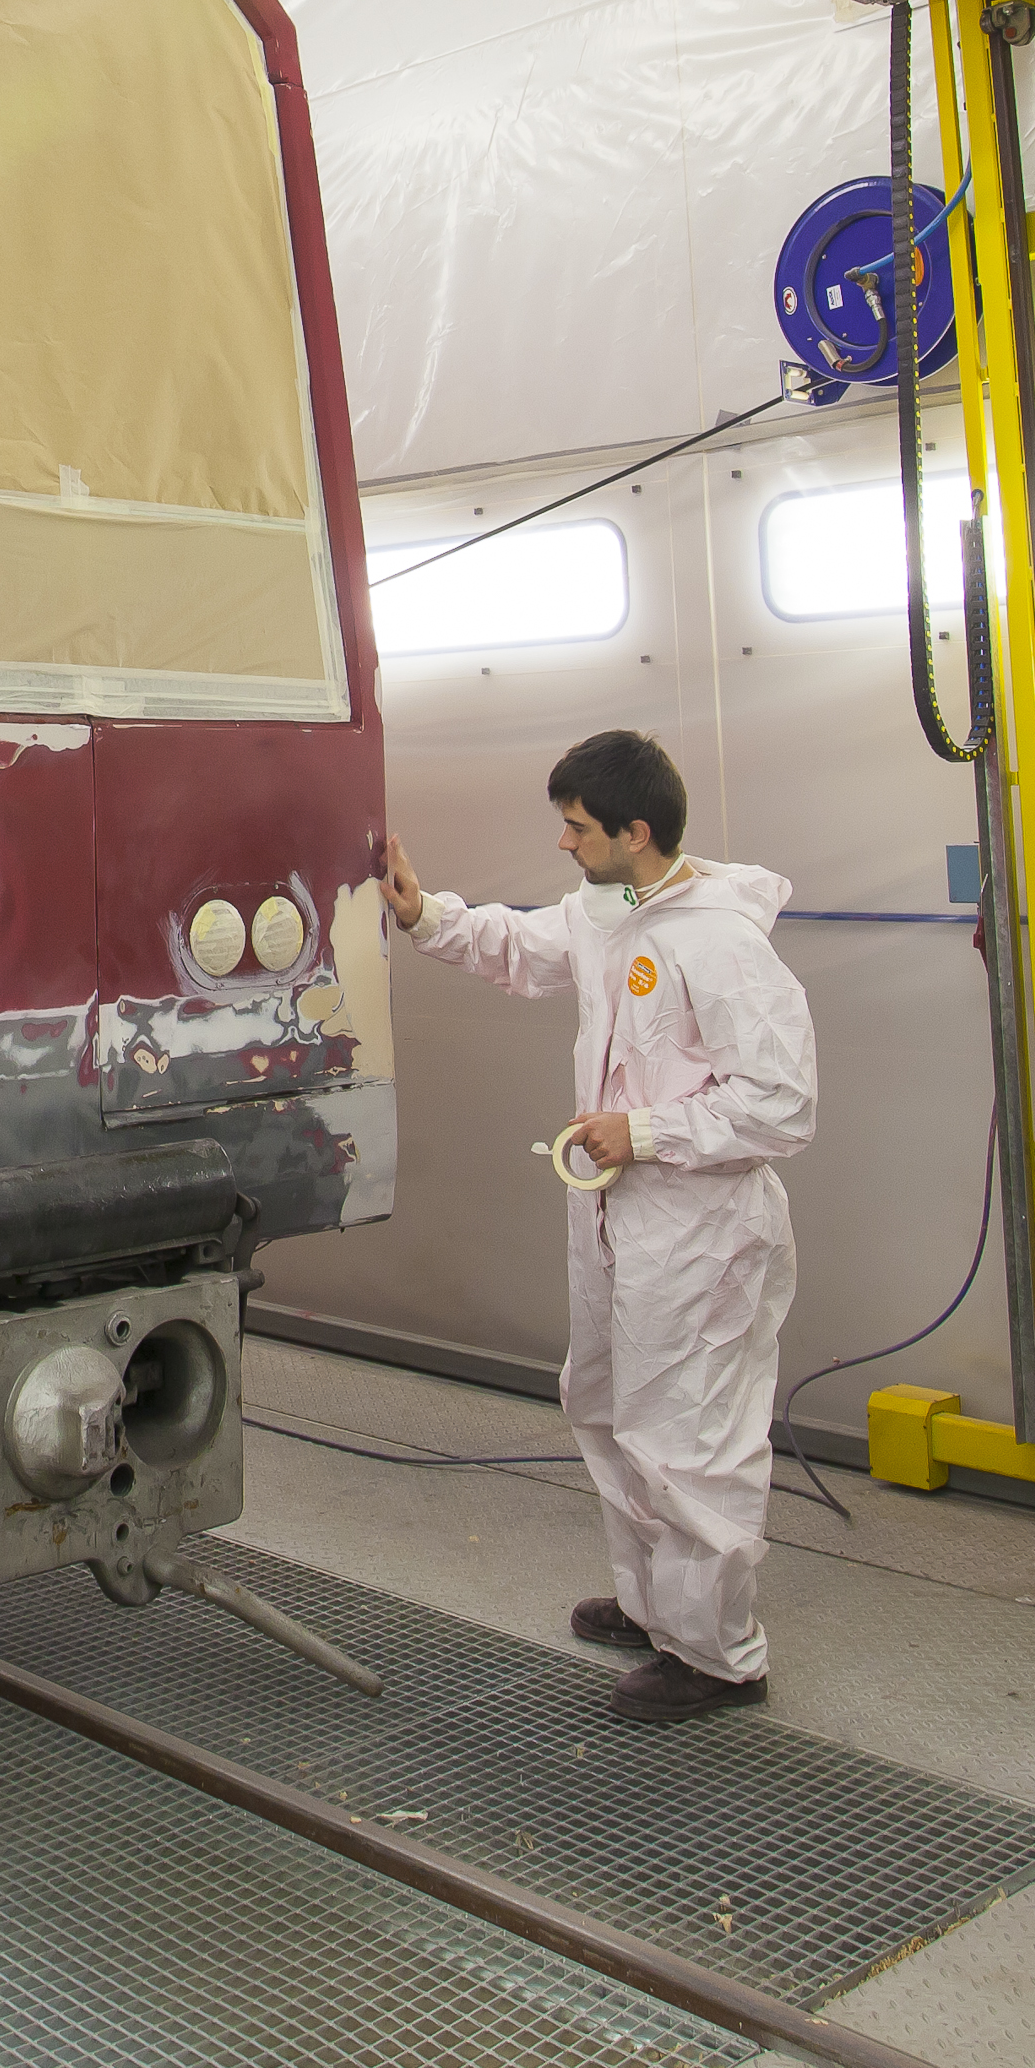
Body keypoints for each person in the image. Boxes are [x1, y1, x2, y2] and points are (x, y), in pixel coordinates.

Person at [376, 730, 814, 1724]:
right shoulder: (608, 912)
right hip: (622, 1218)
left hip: (701, 1231)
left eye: (577, 828)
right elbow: (523, 949)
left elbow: (782, 1104)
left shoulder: (722, 943)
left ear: (636, 831)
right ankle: (655, 1603)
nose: (564, 844)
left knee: (691, 1436)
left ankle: (716, 1658)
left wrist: (646, 1130)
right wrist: (423, 913)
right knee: (610, 1402)